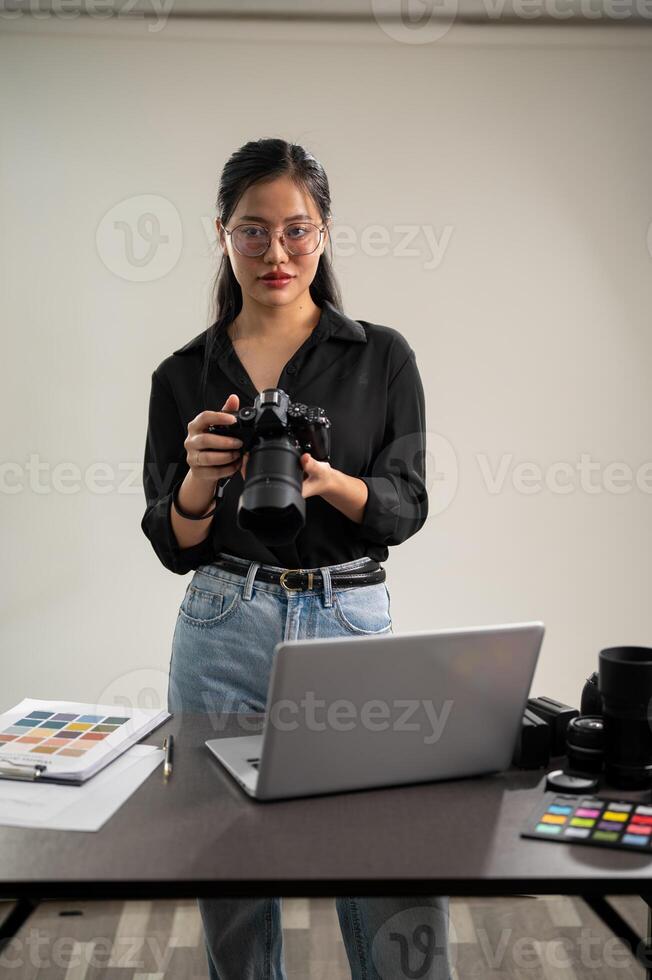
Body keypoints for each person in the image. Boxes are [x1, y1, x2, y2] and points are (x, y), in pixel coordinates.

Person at [141, 137, 451, 980]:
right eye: (251, 231)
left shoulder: (381, 356)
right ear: (221, 234)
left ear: (324, 232)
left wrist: (327, 481)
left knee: (389, 852)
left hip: (349, 614)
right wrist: (201, 483)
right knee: (229, 864)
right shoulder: (182, 375)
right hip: (223, 618)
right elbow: (170, 541)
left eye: (296, 230)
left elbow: (407, 502)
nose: (275, 253)